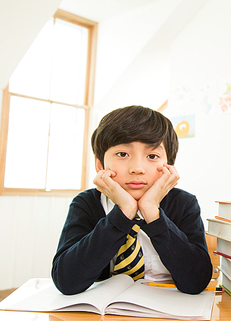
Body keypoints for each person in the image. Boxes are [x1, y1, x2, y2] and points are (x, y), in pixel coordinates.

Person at [52, 105, 212, 295]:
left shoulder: (184, 203)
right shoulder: (86, 203)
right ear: (99, 164)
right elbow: (66, 281)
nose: (137, 168)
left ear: (168, 166)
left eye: (152, 156)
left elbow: (196, 282)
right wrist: (123, 212)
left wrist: (152, 212)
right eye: (122, 154)